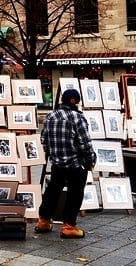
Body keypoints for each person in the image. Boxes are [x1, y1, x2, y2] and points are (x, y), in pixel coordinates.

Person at [36, 88, 96, 238]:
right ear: (74, 101)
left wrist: (53, 154)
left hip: (57, 163)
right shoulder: (77, 118)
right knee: (75, 193)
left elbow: (44, 140)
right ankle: (68, 226)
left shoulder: (50, 116)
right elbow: (85, 143)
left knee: (53, 190)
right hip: (75, 163)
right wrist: (90, 159)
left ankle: (43, 221)